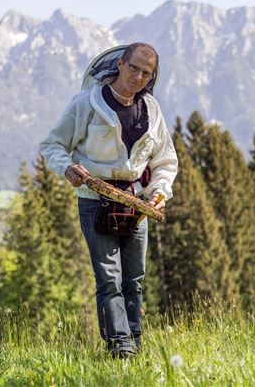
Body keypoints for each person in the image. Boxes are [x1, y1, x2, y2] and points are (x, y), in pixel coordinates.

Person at [39, 42, 178, 359]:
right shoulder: (87, 104)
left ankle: (135, 342)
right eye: (134, 67)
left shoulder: (152, 111)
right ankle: (120, 346)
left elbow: (165, 161)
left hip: (135, 202)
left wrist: (158, 192)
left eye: (146, 72)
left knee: (135, 280)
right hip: (94, 198)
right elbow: (52, 145)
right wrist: (67, 168)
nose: (138, 76)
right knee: (109, 279)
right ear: (120, 64)